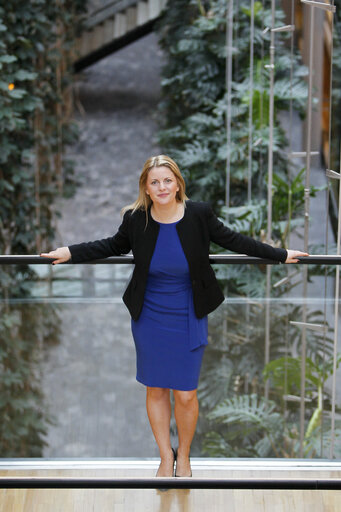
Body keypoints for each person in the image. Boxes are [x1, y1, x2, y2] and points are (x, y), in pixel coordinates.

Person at [40, 154, 308, 479]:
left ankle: (185, 456)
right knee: (155, 389)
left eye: (168, 180)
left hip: (188, 312)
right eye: (155, 182)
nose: (162, 186)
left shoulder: (198, 214)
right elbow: (111, 245)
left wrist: (280, 255)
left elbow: (234, 241)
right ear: (147, 188)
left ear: (178, 184)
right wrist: (71, 252)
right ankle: (166, 458)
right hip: (150, 315)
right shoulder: (137, 220)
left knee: (185, 392)